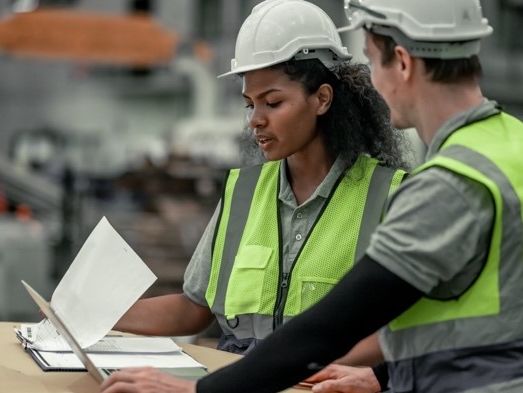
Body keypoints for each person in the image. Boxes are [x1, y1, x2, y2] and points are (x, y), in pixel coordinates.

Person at [99, 0, 523, 393]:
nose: (370, 81)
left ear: (402, 61)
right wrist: (381, 370)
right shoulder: (521, 144)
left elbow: (331, 328)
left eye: (371, 62)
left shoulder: (447, 186)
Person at [112, 0, 407, 364]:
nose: (255, 120)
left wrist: (300, 366)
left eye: (273, 102)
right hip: (238, 388)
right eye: (250, 104)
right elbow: (194, 307)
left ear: (322, 99)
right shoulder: (242, 193)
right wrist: (96, 313)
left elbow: (404, 332)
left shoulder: (390, 196)